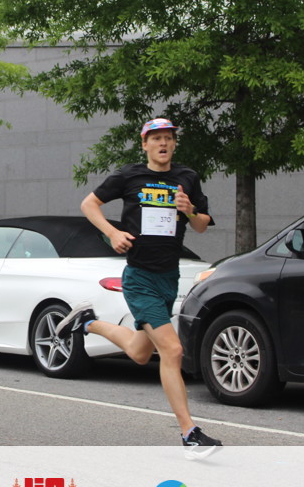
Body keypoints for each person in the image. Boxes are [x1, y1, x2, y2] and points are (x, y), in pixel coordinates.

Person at [56, 118, 223, 459]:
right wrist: (112, 233)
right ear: (144, 144)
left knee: (139, 352)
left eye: (168, 138)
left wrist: (190, 211)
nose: (163, 143)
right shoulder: (129, 176)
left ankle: (87, 322)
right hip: (139, 278)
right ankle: (189, 433)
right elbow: (89, 204)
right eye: (156, 138)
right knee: (172, 351)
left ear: (174, 144)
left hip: (169, 277)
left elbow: (202, 225)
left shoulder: (187, 178)